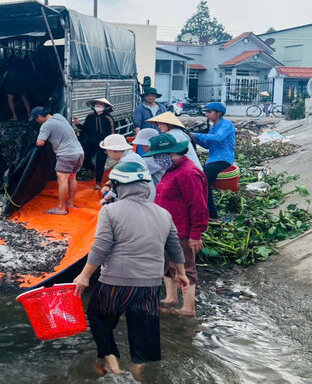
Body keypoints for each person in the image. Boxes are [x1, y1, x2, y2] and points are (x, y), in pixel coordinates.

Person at [73, 161, 189, 378]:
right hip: (150, 285)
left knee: (99, 316)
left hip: (115, 282)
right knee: (144, 327)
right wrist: (181, 273)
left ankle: (111, 361)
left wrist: (84, 276)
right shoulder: (163, 213)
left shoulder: (111, 211)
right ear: (144, 185)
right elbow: (174, 246)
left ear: (119, 186)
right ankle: (138, 367)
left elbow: (101, 246)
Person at [145, 133, 209, 317]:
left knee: (185, 266)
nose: (156, 160)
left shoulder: (188, 173)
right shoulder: (171, 169)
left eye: (158, 156)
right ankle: (171, 298)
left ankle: (189, 307)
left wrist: (196, 234)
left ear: (169, 154)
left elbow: (198, 205)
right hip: (166, 228)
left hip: (182, 230)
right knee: (167, 264)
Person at [31, 106, 84, 215]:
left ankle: (61, 208)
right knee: (72, 178)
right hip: (79, 152)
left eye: (36, 119)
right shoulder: (59, 116)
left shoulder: (46, 125)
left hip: (66, 154)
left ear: (40, 117)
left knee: (62, 180)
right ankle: (70, 203)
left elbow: (40, 142)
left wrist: (36, 141)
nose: (37, 122)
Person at [189, 102, 236, 221]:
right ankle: (210, 213)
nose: (207, 114)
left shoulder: (226, 124)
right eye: (206, 112)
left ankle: (211, 214)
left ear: (219, 113)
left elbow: (218, 138)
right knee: (204, 184)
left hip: (223, 158)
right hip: (213, 159)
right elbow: (208, 145)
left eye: (209, 112)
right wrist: (194, 138)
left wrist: (197, 135)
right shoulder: (214, 126)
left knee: (203, 182)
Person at [73, 98, 116, 190]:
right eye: (97, 105)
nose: (98, 107)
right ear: (94, 106)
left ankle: (98, 182)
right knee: (85, 158)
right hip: (91, 143)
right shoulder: (90, 116)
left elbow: (112, 133)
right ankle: (91, 171)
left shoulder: (108, 118)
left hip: (104, 144)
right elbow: (85, 129)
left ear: (105, 107)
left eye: (101, 105)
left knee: (100, 162)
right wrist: (77, 124)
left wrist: (109, 146)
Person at [99, 134, 156, 202]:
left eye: (107, 152)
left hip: (140, 200)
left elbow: (118, 185)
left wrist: (106, 199)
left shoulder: (127, 161)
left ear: (113, 150)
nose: (108, 155)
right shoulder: (132, 156)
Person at [1, 50, 35, 121]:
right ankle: (29, 115)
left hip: (11, 79)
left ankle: (14, 116)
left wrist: (2, 82)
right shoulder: (23, 61)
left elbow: (5, 72)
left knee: (10, 98)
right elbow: (29, 70)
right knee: (24, 97)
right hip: (21, 80)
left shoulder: (9, 60)